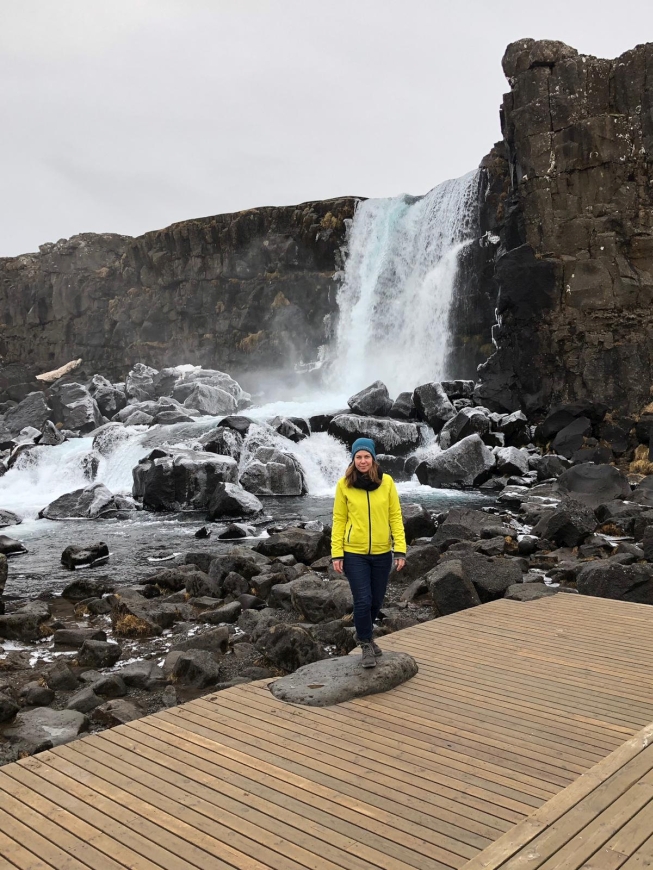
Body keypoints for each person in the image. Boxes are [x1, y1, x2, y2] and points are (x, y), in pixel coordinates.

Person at [331, 437, 406, 669]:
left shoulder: (388, 482)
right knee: (362, 600)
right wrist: (337, 553)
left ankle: (365, 634)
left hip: (383, 553)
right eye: (358, 457)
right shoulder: (345, 484)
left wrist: (400, 549)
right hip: (354, 553)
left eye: (366, 456)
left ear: (373, 458)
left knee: (375, 601)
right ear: (353, 460)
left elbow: (395, 516)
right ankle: (365, 642)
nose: (363, 461)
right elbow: (339, 520)